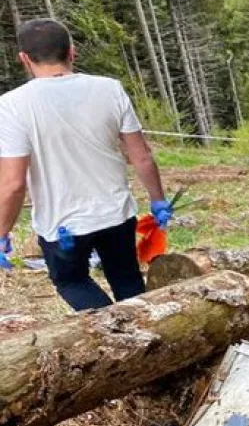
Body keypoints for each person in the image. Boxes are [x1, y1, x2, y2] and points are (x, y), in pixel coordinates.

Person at [0, 19, 173, 311]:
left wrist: (2, 231)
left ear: (24, 59)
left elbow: (14, 183)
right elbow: (141, 156)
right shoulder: (110, 89)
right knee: (127, 278)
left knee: (73, 282)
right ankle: (143, 332)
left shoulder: (12, 105)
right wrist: (158, 200)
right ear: (72, 52)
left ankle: (116, 332)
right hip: (115, 213)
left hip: (62, 225)